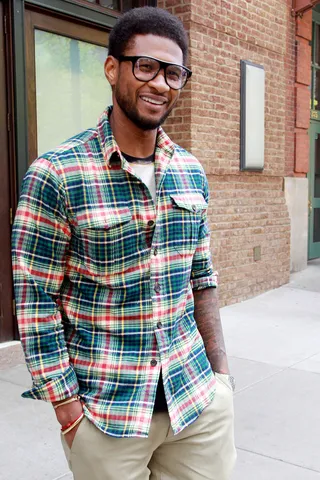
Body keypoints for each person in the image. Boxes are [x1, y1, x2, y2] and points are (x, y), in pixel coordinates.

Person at [12, 6, 236, 480]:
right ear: (112, 68)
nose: (160, 84)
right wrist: (68, 412)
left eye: (173, 73)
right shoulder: (56, 175)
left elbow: (202, 278)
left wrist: (222, 378)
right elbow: (36, 303)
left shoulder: (189, 171)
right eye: (146, 66)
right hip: (107, 415)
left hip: (196, 401)